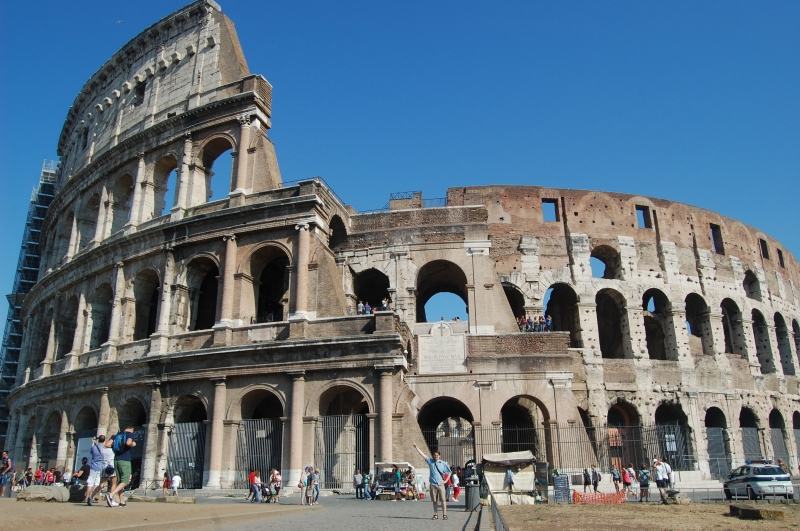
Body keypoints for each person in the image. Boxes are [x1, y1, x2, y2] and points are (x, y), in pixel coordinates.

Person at [413, 443, 451, 521]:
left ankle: (444, 515)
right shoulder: (430, 461)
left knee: (443, 500)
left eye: (437, 455)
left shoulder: (443, 463)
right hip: (433, 485)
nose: (436, 457)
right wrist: (416, 447)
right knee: (434, 501)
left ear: (439, 456)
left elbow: (449, 472)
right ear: (433, 456)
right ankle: (435, 514)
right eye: (435, 455)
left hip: (440, 484)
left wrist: (446, 481)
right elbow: (422, 454)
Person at [106, 425, 137, 507]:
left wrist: (118, 446)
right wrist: (133, 444)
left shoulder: (116, 435)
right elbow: (128, 443)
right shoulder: (129, 434)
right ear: (132, 429)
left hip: (116, 459)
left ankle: (122, 501)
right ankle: (111, 495)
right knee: (125, 481)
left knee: (120, 481)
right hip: (125, 460)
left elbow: (107, 445)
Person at [85, 434, 114, 506]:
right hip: (102, 468)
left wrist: (93, 442)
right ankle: (93, 497)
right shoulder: (106, 448)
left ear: (98, 440)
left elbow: (92, 453)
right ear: (104, 440)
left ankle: (87, 497)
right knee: (99, 485)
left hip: (93, 467)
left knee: (90, 483)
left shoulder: (94, 447)